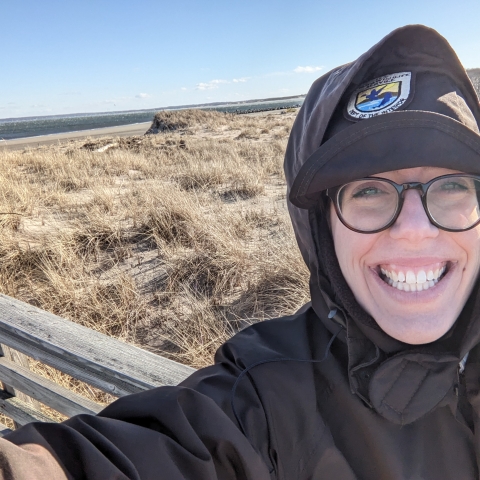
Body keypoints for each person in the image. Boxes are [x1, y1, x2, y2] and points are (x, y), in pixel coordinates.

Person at [1, 24, 480, 479]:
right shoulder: (269, 402)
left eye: (453, 184)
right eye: (370, 191)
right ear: (322, 228)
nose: (415, 229)